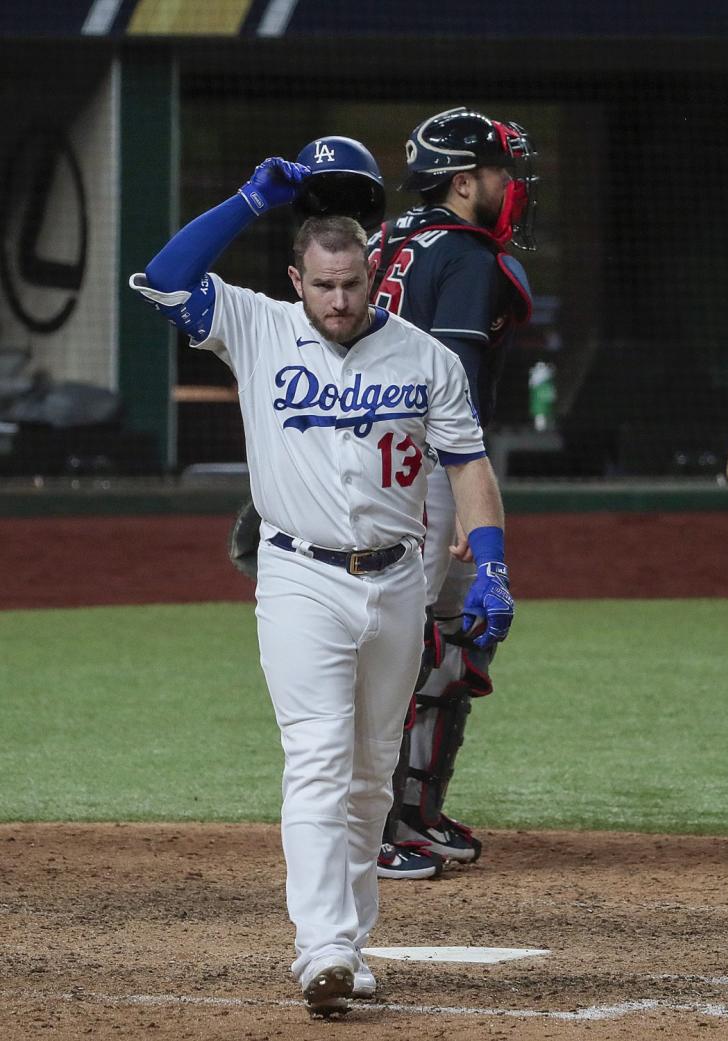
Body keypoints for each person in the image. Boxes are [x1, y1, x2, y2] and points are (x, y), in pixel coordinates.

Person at [128, 140, 515, 1018]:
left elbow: (467, 466)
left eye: (352, 284)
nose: (339, 301)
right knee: (316, 758)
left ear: (374, 271)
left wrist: (490, 563)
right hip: (299, 577)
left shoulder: (425, 358)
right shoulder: (257, 326)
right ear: (297, 279)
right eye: (323, 285)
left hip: (399, 581)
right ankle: (323, 948)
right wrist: (246, 200)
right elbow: (160, 278)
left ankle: (350, 941)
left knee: (374, 773)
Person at [368, 107, 537, 876]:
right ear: (465, 182)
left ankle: (413, 810)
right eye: (502, 171)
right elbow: (456, 381)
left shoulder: (381, 242)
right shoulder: (465, 254)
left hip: (368, 462)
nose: (512, 185)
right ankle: (380, 822)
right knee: (413, 645)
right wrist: (467, 504)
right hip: (427, 465)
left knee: (448, 636)